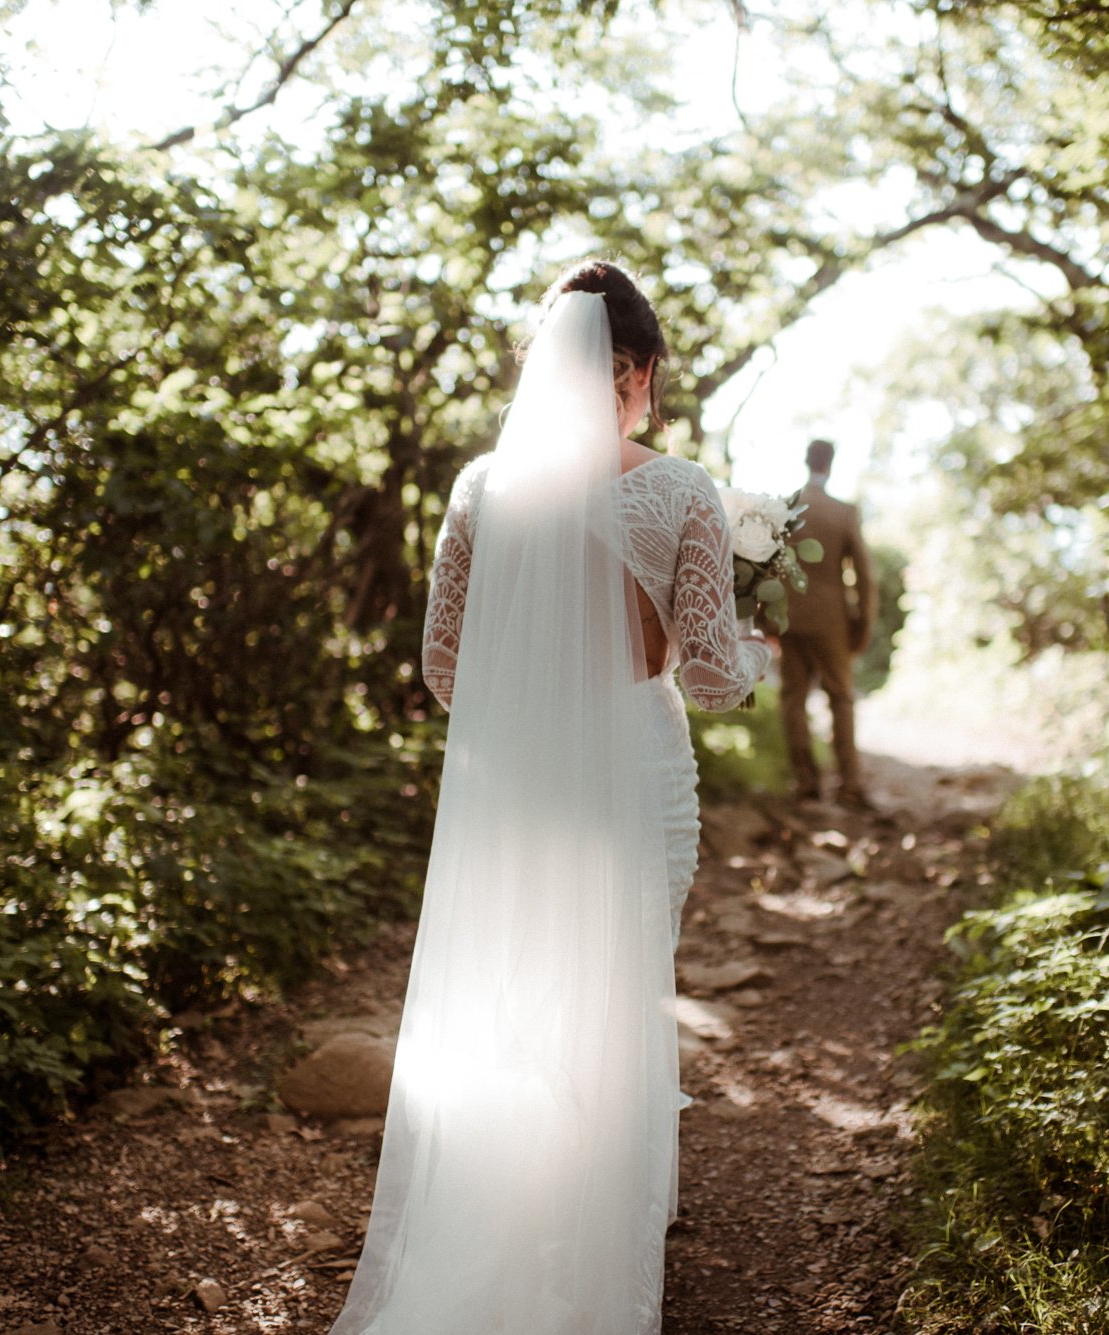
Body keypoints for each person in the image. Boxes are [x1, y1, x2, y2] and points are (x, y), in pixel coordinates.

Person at [329, 260, 769, 1335]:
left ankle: (501, 1223)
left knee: (517, 985)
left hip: (517, 778)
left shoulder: (482, 488)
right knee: (618, 995)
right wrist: (751, 641)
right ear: (641, 369)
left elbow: (444, 674)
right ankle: (595, 1250)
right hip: (634, 764)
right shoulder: (675, 489)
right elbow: (711, 683)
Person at [778, 438, 877, 807]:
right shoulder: (844, 512)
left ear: (806, 462)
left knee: (793, 700)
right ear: (830, 465)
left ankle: (806, 781)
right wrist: (863, 622)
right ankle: (850, 783)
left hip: (789, 618)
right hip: (832, 621)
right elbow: (865, 575)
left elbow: (768, 564)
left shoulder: (786, 507)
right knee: (840, 698)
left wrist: (765, 620)